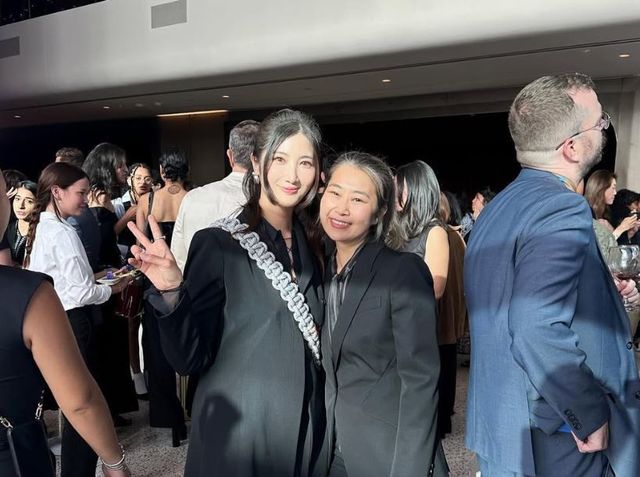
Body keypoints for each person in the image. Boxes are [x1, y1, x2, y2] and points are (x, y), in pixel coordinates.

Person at [127, 109, 327, 476]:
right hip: (240, 435)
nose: (293, 176)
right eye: (280, 159)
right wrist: (171, 290)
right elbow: (189, 358)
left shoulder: (315, 243)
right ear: (256, 162)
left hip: (305, 427)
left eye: (305, 163)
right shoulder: (219, 244)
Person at [465, 73, 640, 476]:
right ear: (572, 147)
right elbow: (534, 323)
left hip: (505, 428)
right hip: (557, 436)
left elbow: (509, 299)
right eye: (600, 122)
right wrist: (587, 414)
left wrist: (599, 296)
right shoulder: (562, 207)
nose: (605, 129)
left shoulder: (496, 209)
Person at [319, 152, 446, 476]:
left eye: (358, 199)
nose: (341, 208)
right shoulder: (320, 272)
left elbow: (420, 381)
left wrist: (409, 469)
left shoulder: (402, 271)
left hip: (386, 454)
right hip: (331, 451)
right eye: (335, 192)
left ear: (380, 212)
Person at [24, 162, 131, 477]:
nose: (86, 199)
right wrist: (112, 289)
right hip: (75, 321)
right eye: (81, 193)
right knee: (83, 403)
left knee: (74, 403)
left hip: (57, 320)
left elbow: (63, 282)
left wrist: (99, 279)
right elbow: (81, 293)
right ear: (57, 192)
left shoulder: (43, 228)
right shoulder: (62, 232)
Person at [82, 143, 139, 427]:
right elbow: (100, 243)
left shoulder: (99, 197)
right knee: (108, 348)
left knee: (113, 347)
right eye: (120, 165)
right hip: (103, 283)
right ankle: (108, 411)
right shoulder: (96, 198)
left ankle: (112, 410)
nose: (125, 170)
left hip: (111, 277)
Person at [135, 151, 189, 445]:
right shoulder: (191, 198)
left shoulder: (147, 200)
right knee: (185, 338)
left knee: (156, 347)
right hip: (183, 275)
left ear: (161, 169)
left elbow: (141, 243)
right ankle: (191, 406)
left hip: (155, 278)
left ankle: (167, 415)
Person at [171, 119, 260, 271]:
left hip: (197, 282)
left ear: (230, 156)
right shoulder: (269, 199)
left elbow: (179, 258)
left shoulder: (193, 198)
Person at [585, 170, 640, 255]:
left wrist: (630, 233)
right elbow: (598, 250)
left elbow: (616, 249)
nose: (615, 193)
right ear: (601, 188)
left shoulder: (608, 214)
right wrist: (621, 228)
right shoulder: (585, 213)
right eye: (613, 188)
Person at [6, 180, 36, 266]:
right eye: (17, 199)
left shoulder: (41, 232)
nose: (21, 206)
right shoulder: (6, 228)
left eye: (29, 201)